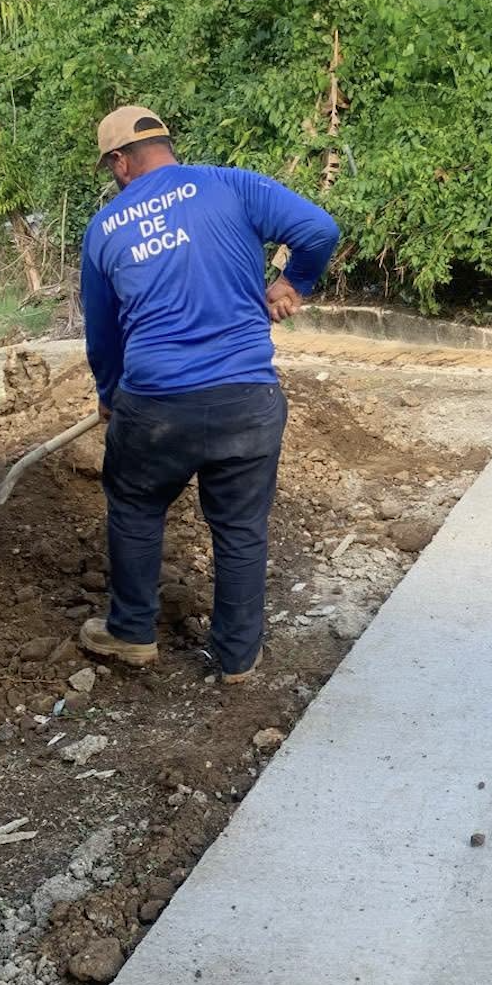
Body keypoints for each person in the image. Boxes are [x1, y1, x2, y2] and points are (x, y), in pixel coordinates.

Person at [78, 106, 340, 683]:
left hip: (155, 407)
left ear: (120, 162)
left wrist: (109, 393)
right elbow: (320, 230)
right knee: (240, 527)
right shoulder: (231, 184)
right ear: (166, 146)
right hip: (246, 398)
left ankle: (132, 634)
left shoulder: (105, 228)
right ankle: (238, 658)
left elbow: (103, 332)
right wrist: (293, 282)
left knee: (136, 508)